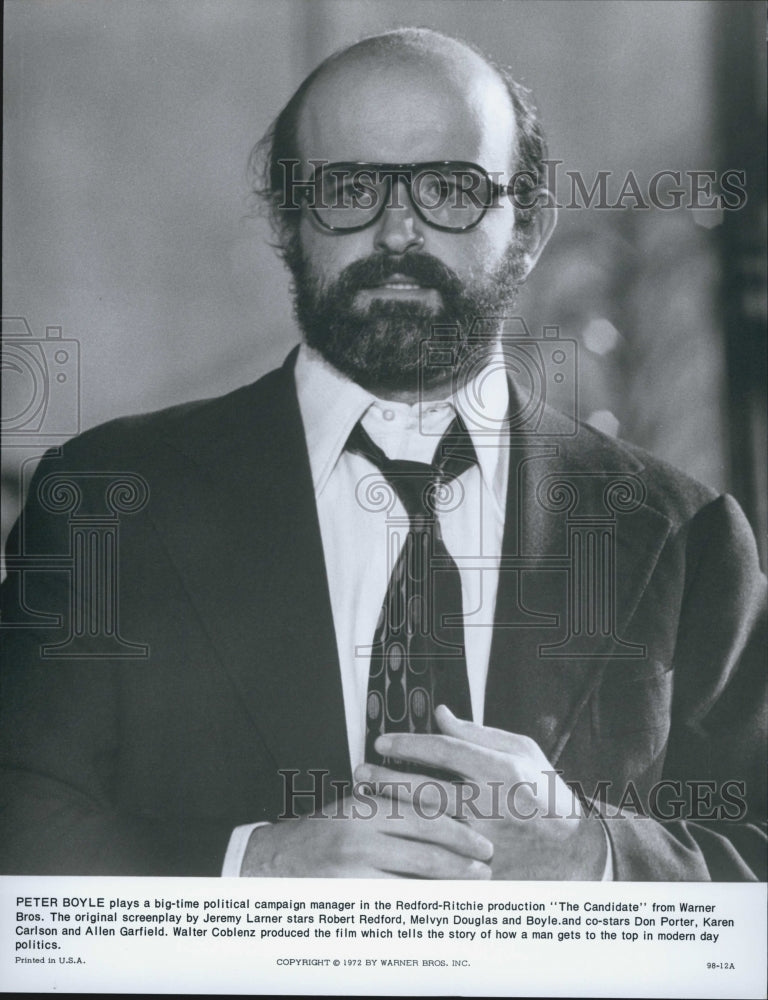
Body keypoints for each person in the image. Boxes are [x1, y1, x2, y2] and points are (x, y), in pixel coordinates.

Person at [1, 27, 765, 881]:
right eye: (349, 187)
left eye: (450, 187)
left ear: (531, 226)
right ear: (289, 223)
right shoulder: (108, 501)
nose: (398, 231)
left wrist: (593, 857)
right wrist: (256, 866)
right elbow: (18, 804)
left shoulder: (687, 535)